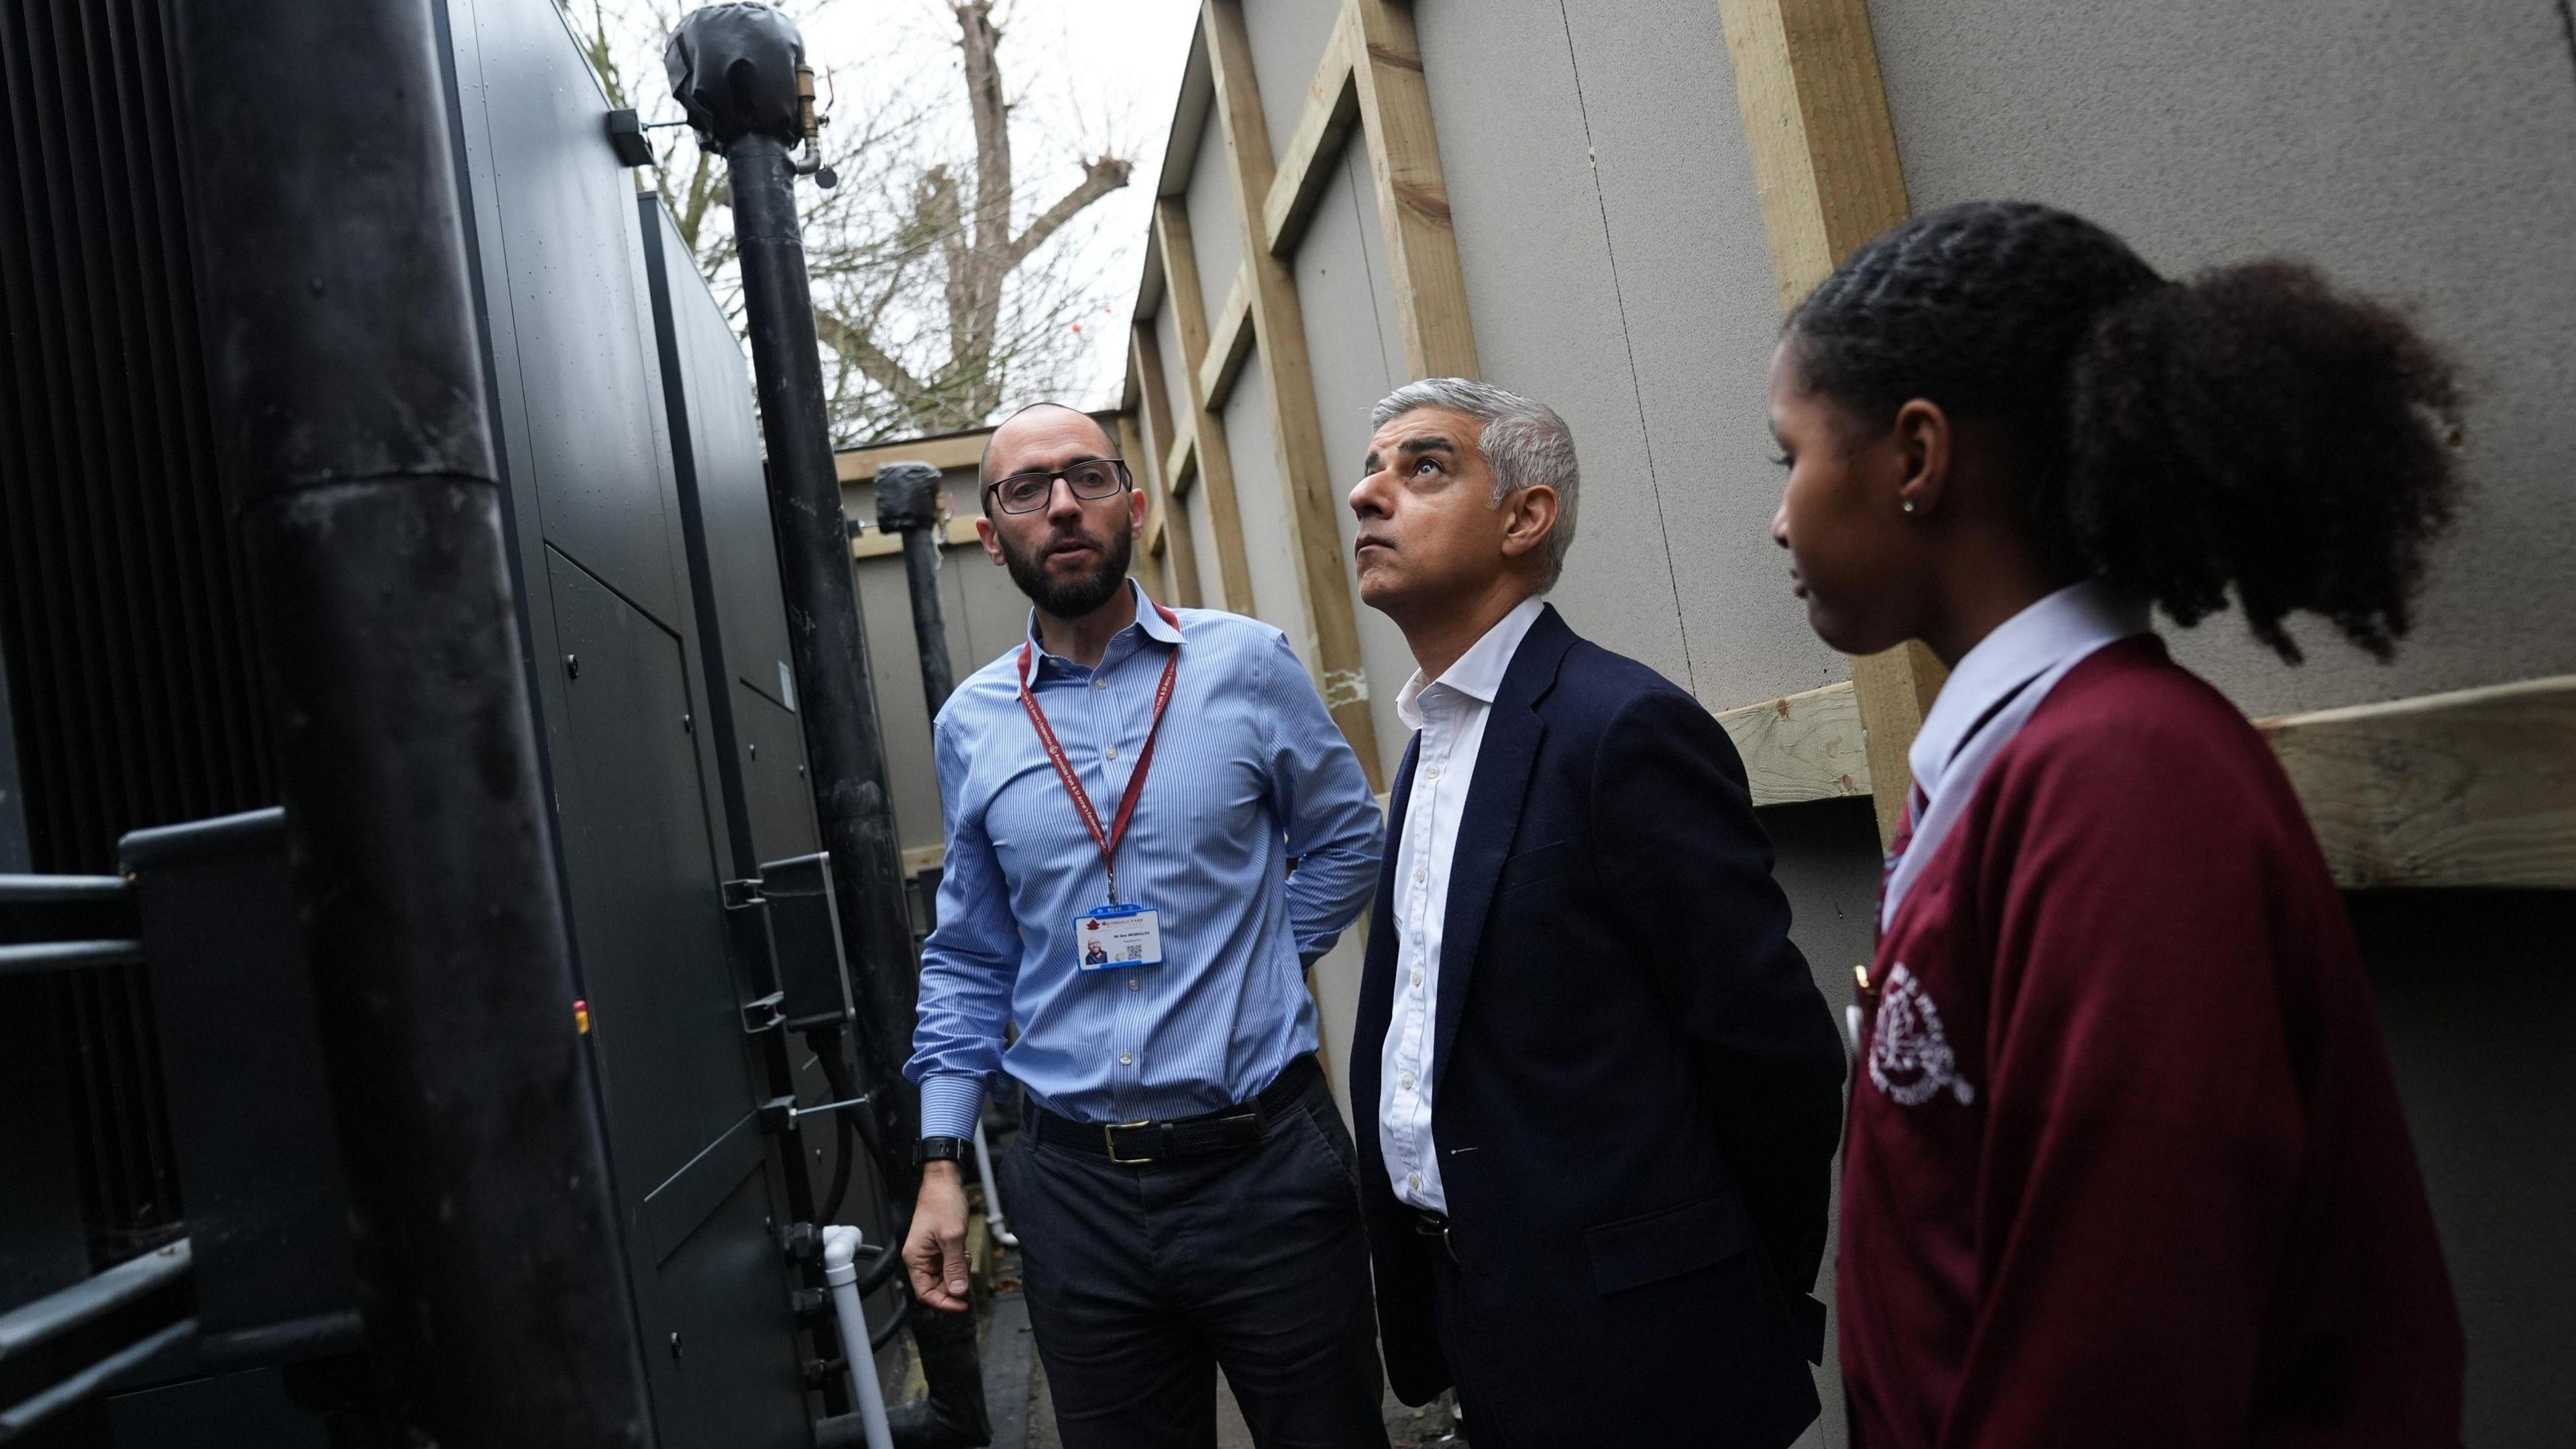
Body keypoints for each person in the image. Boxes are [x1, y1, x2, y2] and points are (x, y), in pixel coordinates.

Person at [1767, 201, 2465, 1446]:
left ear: (1916, 458)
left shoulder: (2125, 784)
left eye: (1791, 459)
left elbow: (2126, 1339)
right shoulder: (2029, 757)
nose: (1780, 518)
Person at [1346, 378, 1848, 1447]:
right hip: (1485, 1323)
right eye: (1370, 468)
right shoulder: (1432, 743)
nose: (1366, 494)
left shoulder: (1622, 729)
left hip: (1649, 1352)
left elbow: (1775, 1059)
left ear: (1525, 517)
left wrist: (1728, 1291)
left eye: (1420, 467)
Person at [900, 403, 1389, 1449]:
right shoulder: (972, 725)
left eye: (1086, 476)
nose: (1062, 504)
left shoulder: (1246, 665)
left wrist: (1259, 956)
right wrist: (942, 1162)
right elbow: (970, 958)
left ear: (1131, 500)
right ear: (991, 535)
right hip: (1076, 1197)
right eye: (1027, 489)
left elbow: (1350, 840)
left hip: (1265, 1168)